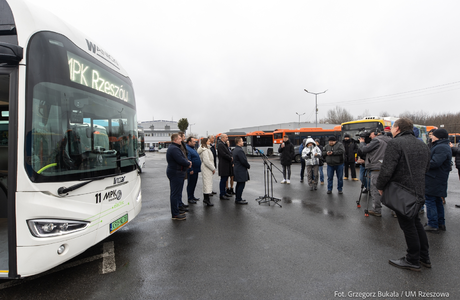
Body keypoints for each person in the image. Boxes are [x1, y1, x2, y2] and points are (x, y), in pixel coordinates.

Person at [376, 118, 431, 271]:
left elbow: (387, 169)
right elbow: (427, 167)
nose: (391, 130)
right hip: (419, 190)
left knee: (408, 226)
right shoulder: (422, 144)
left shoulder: (395, 143)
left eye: (392, 127)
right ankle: (424, 257)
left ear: (398, 128)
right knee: (416, 222)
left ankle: (412, 259)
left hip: (402, 192)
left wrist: (380, 186)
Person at [358, 128, 392, 217]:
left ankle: (377, 210)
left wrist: (362, 142)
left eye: (370, 134)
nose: (370, 136)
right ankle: (395, 211)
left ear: (376, 133)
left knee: (375, 190)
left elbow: (364, 149)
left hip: (377, 168)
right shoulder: (389, 140)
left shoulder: (377, 140)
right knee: (389, 189)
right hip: (388, 167)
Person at [424, 128, 452, 232]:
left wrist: (423, 164)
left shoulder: (441, 147)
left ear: (439, 136)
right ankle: (440, 223)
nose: (431, 136)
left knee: (430, 200)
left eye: (433, 135)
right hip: (436, 178)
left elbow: (435, 163)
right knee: (437, 200)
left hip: (434, 178)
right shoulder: (442, 146)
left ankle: (433, 224)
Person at [166, 133, 192, 220]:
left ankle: (177, 210)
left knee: (176, 194)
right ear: (175, 140)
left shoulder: (175, 148)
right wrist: (188, 163)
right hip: (176, 173)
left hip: (178, 172)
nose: (181, 140)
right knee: (175, 194)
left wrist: (187, 162)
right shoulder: (174, 149)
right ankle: (175, 214)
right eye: (180, 138)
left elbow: (182, 158)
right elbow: (180, 160)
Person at [198, 137, 215, 206]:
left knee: (207, 182)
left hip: (207, 168)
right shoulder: (205, 150)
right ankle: (206, 199)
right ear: (205, 142)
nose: (209, 142)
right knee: (207, 183)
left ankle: (206, 198)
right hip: (206, 168)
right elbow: (207, 161)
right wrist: (213, 168)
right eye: (208, 141)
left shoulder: (206, 149)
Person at [232, 137, 250, 204]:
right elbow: (243, 161)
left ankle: (238, 198)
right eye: (242, 141)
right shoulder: (239, 150)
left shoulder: (235, 149)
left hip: (237, 169)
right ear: (238, 142)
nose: (243, 142)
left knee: (239, 184)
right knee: (241, 184)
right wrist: (248, 166)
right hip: (240, 170)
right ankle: (238, 199)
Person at [186, 137, 201, 204]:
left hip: (196, 170)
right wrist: (190, 169)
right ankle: (190, 198)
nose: (195, 143)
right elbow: (188, 160)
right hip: (192, 170)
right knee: (191, 184)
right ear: (189, 142)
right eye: (193, 141)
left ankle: (192, 196)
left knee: (194, 184)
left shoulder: (192, 148)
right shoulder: (188, 149)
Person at [217, 134, 233, 200]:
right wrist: (230, 158)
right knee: (223, 180)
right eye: (226, 137)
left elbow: (228, 152)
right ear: (222, 138)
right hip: (223, 165)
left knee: (225, 179)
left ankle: (224, 192)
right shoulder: (220, 145)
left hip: (226, 165)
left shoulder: (224, 144)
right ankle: (222, 194)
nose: (227, 138)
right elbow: (223, 154)